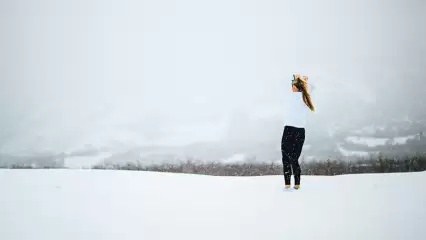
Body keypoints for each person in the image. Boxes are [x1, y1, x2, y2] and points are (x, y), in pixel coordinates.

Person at [281, 73, 315, 190]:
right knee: (288, 158)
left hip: (294, 130)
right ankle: (289, 183)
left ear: (298, 87)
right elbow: (309, 88)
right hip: (293, 130)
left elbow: (310, 88)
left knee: (291, 158)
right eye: (292, 85)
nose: (291, 87)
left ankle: (295, 183)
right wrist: (299, 80)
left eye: (293, 85)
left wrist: (301, 80)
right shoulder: (298, 97)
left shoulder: (303, 98)